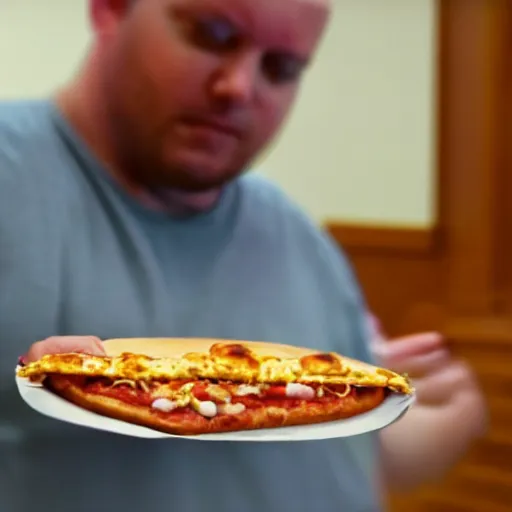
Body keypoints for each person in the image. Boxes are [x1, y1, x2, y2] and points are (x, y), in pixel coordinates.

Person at [0, 0, 486, 511]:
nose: (239, 87)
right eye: (211, 35)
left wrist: (415, 424)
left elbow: (330, 457)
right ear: (110, 9)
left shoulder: (298, 238)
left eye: (280, 68)